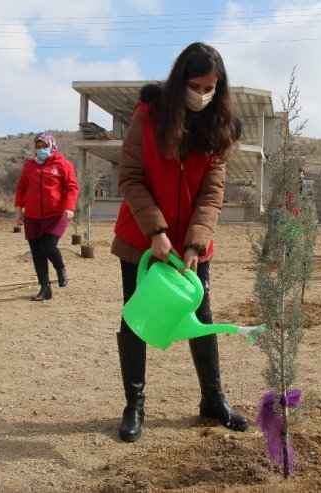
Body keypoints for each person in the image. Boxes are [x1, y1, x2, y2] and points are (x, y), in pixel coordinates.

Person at [111, 42, 247, 443]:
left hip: (190, 247)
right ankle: (134, 405)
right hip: (142, 240)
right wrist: (157, 232)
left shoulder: (219, 126)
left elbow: (212, 191)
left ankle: (213, 401)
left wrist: (195, 243)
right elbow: (131, 176)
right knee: (135, 319)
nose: (203, 94)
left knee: (201, 318)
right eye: (195, 85)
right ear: (179, 81)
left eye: (210, 87)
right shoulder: (149, 114)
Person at [14, 132, 78, 301]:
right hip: (33, 217)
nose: (42, 150)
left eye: (45, 146)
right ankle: (45, 288)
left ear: (52, 145)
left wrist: (69, 207)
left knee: (48, 245)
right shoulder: (29, 166)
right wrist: (18, 210)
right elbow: (21, 189)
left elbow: (72, 187)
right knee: (36, 252)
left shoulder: (63, 164)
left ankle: (61, 268)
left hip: (56, 215)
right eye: (39, 147)